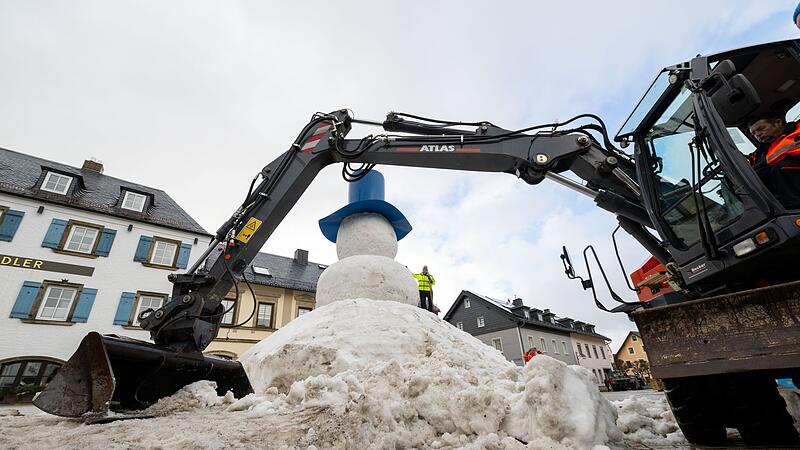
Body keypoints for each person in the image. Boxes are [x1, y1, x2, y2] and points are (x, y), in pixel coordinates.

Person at [747, 113, 800, 209]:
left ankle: (794, 208)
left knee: (781, 168)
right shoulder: (761, 151)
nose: (757, 134)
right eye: (754, 134)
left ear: (778, 123)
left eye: (760, 129)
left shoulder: (796, 131)